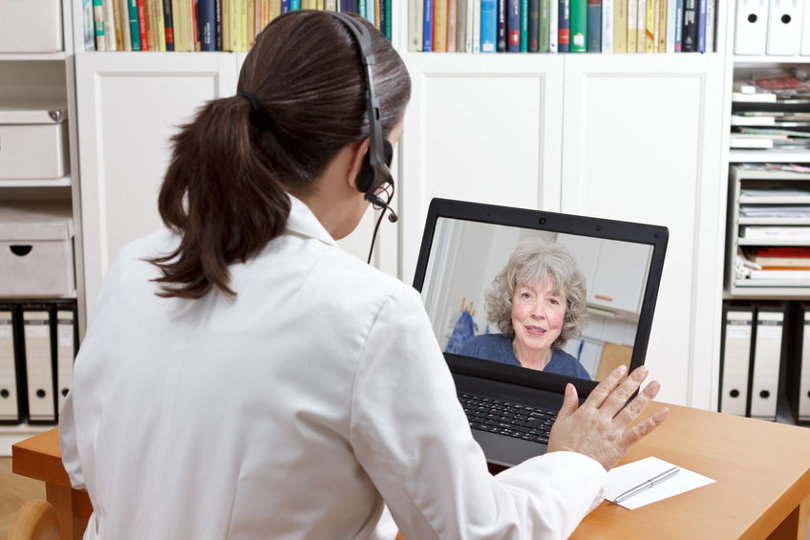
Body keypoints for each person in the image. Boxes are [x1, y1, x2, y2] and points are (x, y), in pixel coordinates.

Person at [59, 10, 668, 540]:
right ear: (365, 158)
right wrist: (577, 461)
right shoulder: (371, 314)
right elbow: (478, 532)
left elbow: (79, 462)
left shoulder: (137, 265)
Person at [460, 238, 592, 379]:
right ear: (510, 301)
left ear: (567, 312)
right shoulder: (476, 351)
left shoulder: (577, 376)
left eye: (553, 301)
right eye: (527, 295)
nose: (538, 313)